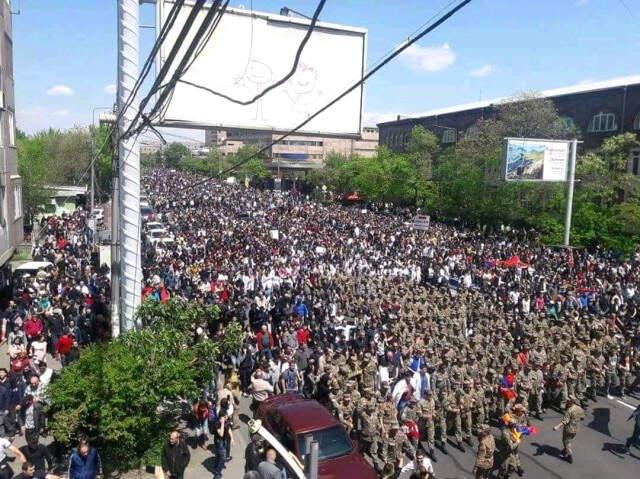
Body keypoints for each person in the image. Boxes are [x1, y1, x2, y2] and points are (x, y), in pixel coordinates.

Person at [553, 396, 584, 464]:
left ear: (571, 402)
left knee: (565, 441)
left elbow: (565, 421)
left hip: (569, 429)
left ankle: (569, 456)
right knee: (568, 439)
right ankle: (565, 450)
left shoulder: (569, 410)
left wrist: (557, 426)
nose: (566, 401)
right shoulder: (579, 408)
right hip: (576, 428)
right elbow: (582, 417)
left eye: (568, 401)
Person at [211, 410, 234, 479]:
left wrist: (232, 438)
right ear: (221, 417)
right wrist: (222, 423)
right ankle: (217, 472)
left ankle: (215, 467)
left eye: (227, 415)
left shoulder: (227, 421)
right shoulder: (217, 423)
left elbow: (229, 429)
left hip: (225, 440)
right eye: (225, 416)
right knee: (223, 458)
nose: (227, 417)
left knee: (218, 455)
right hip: (219, 441)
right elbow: (221, 434)